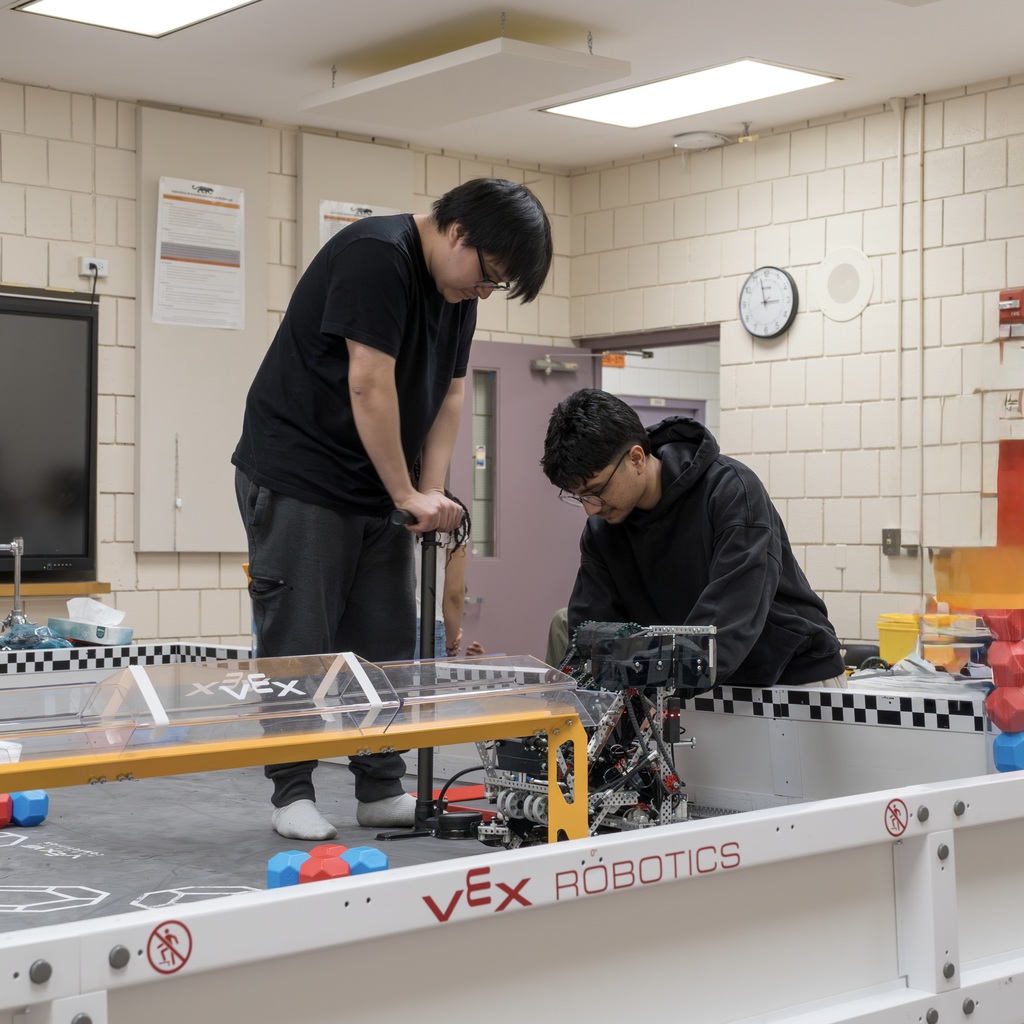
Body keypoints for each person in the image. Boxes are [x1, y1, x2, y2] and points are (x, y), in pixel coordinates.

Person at [233, 178, 552, 841]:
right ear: (458, 232)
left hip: (378, 485)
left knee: (384, 642)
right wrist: (405, 492)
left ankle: (379, 787)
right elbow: (368, 381)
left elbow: (450, 396)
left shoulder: (456, 294)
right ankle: (291, 792)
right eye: (487, 275)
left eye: (495, 286)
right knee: (302, 642)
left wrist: (426, 493)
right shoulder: (376, 254)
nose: (484, 292)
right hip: (302, 474)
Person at [540, 389, 846, 690]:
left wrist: (630, 665)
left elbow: (727, 623)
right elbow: (592, 638)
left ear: (636, 458)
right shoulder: (602, 530)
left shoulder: (731, 492)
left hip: (792, 679)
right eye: (579, 497)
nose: (591, 509)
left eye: (597, 490)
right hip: (689, 682)